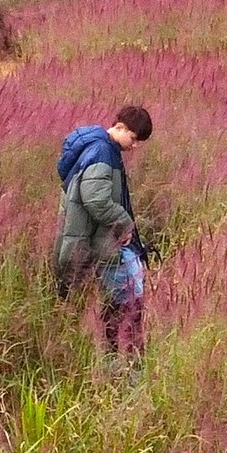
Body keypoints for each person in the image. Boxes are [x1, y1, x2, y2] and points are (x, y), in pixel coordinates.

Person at [56, 105, 152, 356]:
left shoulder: (102, 148)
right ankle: (128, 359)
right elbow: (95, 199)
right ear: (119, 127)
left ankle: (117, 355)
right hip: (104, 242)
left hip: (101, 238)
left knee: (122, 296)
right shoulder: (102, 152)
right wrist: (123, 222)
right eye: (133, 138)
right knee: (129, 298)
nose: (135, 146)